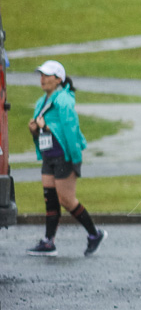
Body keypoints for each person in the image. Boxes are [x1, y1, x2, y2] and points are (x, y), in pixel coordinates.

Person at [26, 60, 107, 256]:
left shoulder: (64, 100)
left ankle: (94, 234)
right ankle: (48, 242)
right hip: (49, 156)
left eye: (47, 75)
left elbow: (71, 130)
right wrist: (35, 130)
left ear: (58, 79)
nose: (42, 79)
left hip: (64, 156)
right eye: (41, 75)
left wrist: (75, 159)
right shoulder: (41, 101)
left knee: (67, 200)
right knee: (50, 199)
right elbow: (43, 131)